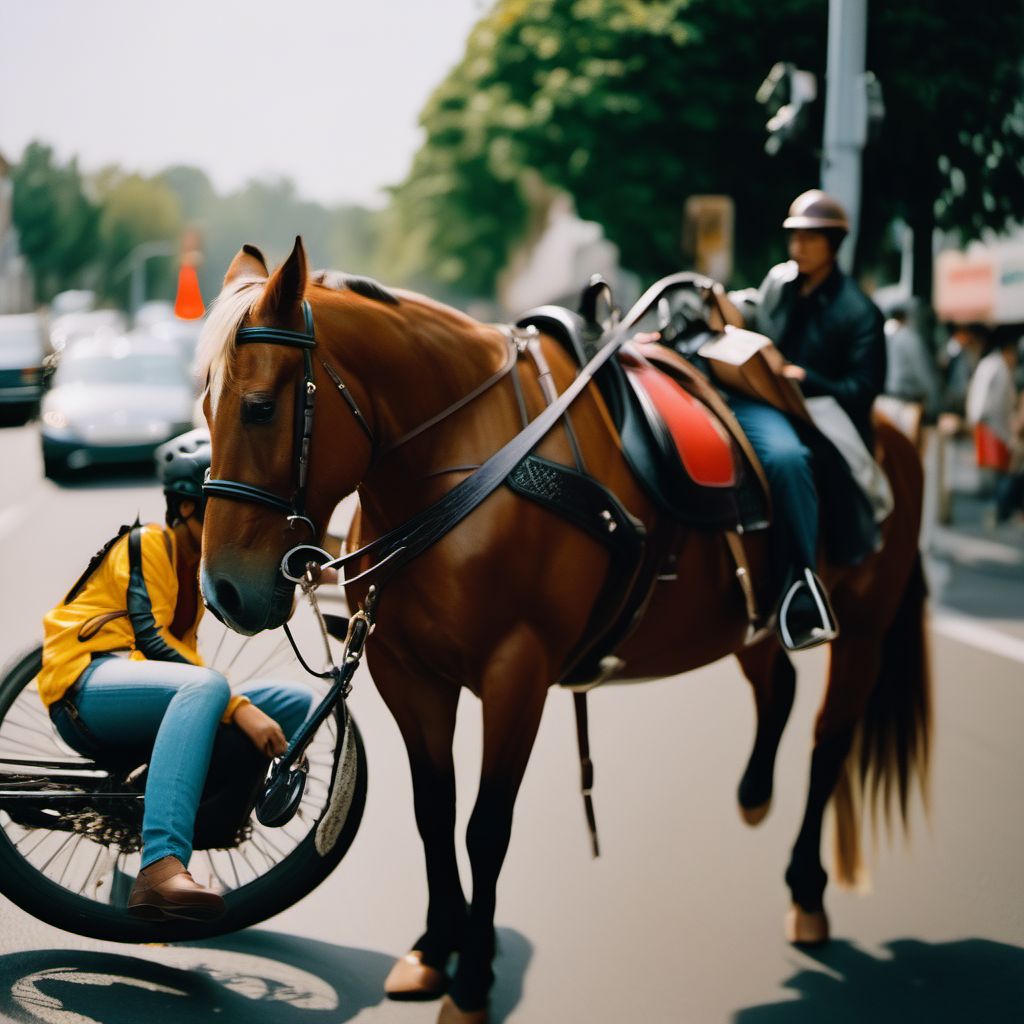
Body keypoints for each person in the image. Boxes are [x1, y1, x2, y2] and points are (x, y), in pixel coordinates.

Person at [39, 429, 314, 921]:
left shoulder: (197, 569)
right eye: (220, 507)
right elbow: (151, 642)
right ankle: (161, 865)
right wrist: (239, 708)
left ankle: (209, 820)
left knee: (295, 702)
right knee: (208, 685)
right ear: (187, 507)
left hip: (150, 692)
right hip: (88, 684)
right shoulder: (149, 542)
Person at [709, 189, 887, 650]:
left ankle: (801, 586)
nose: (798, 247)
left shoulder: (861, 312)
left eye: (811, 238)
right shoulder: (778, 281)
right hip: (759, 396)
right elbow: (756, 316)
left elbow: (862, 391)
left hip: (817, 413)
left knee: (787, 460)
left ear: (833, 242)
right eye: (795, 237)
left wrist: (805, 379)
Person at [966, 333, 1024, 523]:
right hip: (992, 423)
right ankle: (998, 508)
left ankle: (999, 507)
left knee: (1002, 470)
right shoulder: (994, 366)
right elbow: (984, 399)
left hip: (997, 424)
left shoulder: (996, 366)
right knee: (1001, 470)